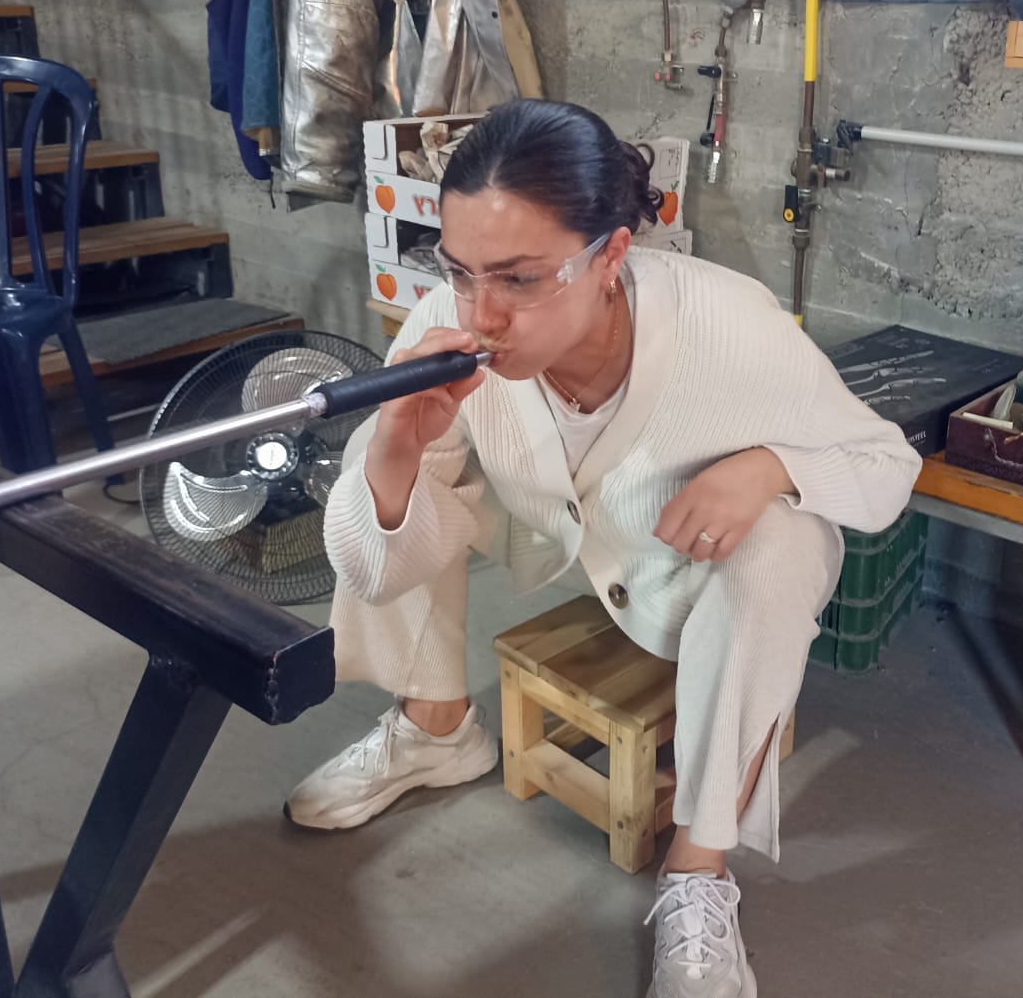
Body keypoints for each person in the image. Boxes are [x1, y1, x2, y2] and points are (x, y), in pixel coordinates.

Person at [289, 99, 921, 996]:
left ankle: (699, 869)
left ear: (612, 254)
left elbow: (887, 464)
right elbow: (371, 567)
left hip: (677, 555)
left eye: (520, 278)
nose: (482, 312)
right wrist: (394, 446)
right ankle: (436, 728)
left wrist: (771, 467)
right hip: (542, 526)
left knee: (786, 543)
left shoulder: (727, 323)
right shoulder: (446, 322)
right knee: (390, 457)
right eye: (460, 269)